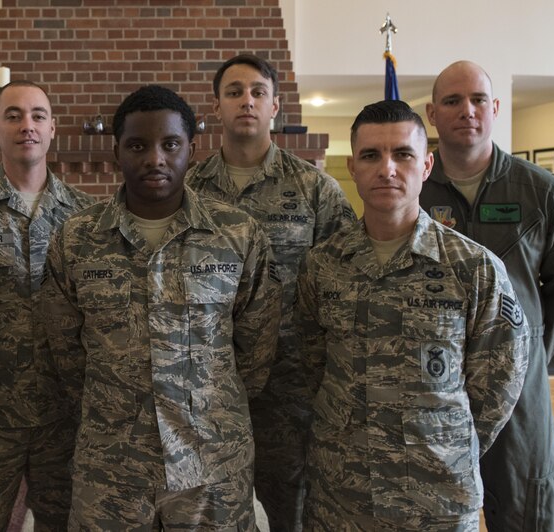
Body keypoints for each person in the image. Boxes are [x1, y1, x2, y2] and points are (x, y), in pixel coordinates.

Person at [41, 85, 281, 530]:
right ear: (116, 151)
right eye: (138, 145)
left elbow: (256, 347)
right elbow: (65, 350)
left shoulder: (238, 235)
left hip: (212, 463)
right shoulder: (76, 239)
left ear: (192, 149)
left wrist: (209, 405)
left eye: (170, 144)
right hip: (111, 464)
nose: (155, 159)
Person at [298, 100, 529, 530]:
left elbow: (499, 383)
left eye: (402, 154)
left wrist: (443, 441)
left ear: (426, 166)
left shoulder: (473, 268)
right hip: (342, 492)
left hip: (437, 495)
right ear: (352, 167)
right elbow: (312, 365)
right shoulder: (323, 264)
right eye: (371, 155)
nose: (387, 169)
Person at [185, 53, 356, 531]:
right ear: (216, 106)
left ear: (275, 106)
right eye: (234, 92)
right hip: (208, 386)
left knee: (292, 513)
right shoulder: (188, 189)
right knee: (212, 514)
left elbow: (345, 284)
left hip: (291, 387)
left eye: (258, 92)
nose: (247, 101)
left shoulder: (314, 190)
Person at [420, 61, 554, 531]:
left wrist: (530, 351)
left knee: (525, 510)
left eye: (478, 99)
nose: (467, 110)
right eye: (452, 101)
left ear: (494, 108)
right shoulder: (413, 190)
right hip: (432, 386)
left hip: (519, 397)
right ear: (432, 114)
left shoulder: (543, 193)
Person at [0, 80, 94, 531]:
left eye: (37, 116)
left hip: (64, 415)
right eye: (13, 116)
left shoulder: (88, 217)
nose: (26, 125)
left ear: (53, 128)